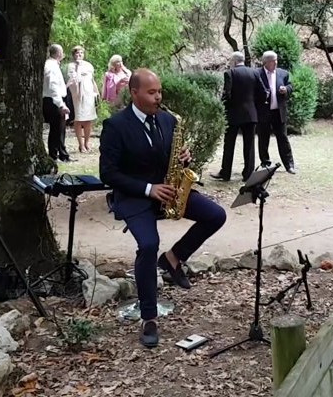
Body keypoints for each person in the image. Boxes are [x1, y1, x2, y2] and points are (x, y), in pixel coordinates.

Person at [99, 68, 227, 348]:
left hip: (168, 190)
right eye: (152, 92)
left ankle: (172, 259)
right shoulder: (116, 126)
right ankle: (149, 317)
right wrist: (148, 189)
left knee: (216, 215)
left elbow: (169, 159)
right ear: (134, 93)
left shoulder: (168, 120)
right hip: (135, 195)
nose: (158, 97)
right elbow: (108, 173)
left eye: (160, 91)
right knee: (147, 244)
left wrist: (183, 158)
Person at [212, 51, 267, 182]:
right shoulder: (255, 73)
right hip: (251, 115)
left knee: (229, 144)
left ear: (235, 61)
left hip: (233, 115)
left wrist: (225, 108)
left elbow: (227, 95)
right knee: (249, 145)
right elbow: (264, 93)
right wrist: (254, 106)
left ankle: (226, 173)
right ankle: (248, 175)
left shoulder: (230, 73)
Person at [256, 51, 296, 173]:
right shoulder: (257, 74)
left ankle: (289, 165)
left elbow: (290, 86)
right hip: (263, 111)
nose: (276, 62)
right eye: (273, 60)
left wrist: (286, 90)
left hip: (278, 112)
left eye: (276, 60)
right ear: (266, 62)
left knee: (283, 138)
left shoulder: (283, 74)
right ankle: (265, 163)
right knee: (263, 139)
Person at [42, 44, 72, 162]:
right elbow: (53, 86)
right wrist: (61, 104)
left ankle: (60, 154)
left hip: (54, 99)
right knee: (56, 129)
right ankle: (54, 155)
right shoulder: (51, 66)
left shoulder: (53, 65)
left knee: (59, 129)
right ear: (59, 53)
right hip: (53, 100)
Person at [66, 46, 99, 153]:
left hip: (89, 93)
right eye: (77, 53)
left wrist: (96, 91)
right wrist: (78, 67)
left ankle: (86, 143)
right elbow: (74, 79)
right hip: (78, 94)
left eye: (81, 53)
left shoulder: (88, 65)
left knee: (88, 119)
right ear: (73, 55)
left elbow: (92, 79)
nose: (79, 55)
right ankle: (81, 144)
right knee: (79, 118)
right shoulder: (71, 66)